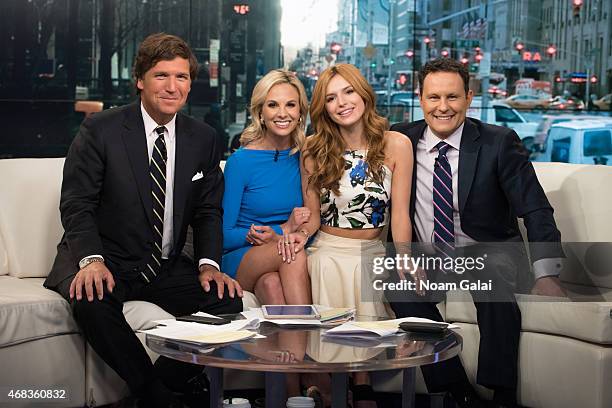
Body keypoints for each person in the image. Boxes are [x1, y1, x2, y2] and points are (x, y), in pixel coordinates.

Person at [44, 33, 243, 408]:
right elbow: (77, 203)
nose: (172, 87)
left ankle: (155, 388)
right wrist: (91, 260)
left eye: (181, 77)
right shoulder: (101, 130)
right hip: (107, 258)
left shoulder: (203, 138)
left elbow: (207, 211)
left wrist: (208, 263)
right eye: (161, 76)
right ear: (140, 80)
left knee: (229, 302)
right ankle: (158, 398)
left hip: (163, 267)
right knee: (90, 301)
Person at [388, 58, 565, 408]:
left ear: (469, 98)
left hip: (487, 253)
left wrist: (546, 273)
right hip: (430, 257)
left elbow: (535, 207)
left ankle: (502, 395)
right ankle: (457, 390)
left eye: (452, 97)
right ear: (420, 98)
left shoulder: (498, 142)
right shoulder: (400, 139)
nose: (442, 107)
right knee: (397, 281)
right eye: (433, 97)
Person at [291, 63, 413, 407]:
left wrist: (404, 254)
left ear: (363, 93)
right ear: (323, 108)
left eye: (348, 91)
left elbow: (400, 214)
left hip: (373, 248)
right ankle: (338, 387)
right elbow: (313, 217)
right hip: (329, 247)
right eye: (331, 98)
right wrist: (298, 235)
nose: (342, 102)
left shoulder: (397, 144)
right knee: (328, 265)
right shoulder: (314, 149)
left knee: (368, 269)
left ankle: (358, 386)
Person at [222, 69, 311, 306]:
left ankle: (291, 344)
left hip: (278, 256)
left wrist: (288, 234)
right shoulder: (240, 162)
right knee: (290, 252)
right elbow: (223, 235)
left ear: (300, 112)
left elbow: (312, 220)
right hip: (240, 256)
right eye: (273, 105)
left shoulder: (304, 157)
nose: (282, 113)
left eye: (290, 105)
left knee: (271, 285)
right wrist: (282, 230)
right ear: (260, 112)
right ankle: (310, 330)